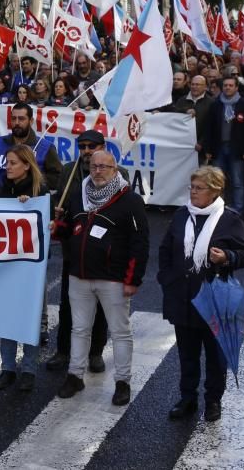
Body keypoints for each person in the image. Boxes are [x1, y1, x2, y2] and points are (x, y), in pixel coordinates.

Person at [157, 166, 244, 422]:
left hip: (214, 301)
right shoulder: (181, 216)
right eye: (192, 187)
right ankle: (187, 398)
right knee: (187, 355)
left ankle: (213, 401)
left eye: (199, 188)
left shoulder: (230, 219)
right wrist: (167, 279)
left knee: (215, 357)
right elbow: (165, 250)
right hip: (183, 299)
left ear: (215, 191)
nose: (193, 192)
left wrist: (227, 257)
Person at [53, 150, 150, 406]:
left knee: (120, 332)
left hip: (113, 279)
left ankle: (122, 382)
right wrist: (59, 226)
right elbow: (69, 232)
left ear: (114, 169)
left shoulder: (130, 200)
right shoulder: (77, 196)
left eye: (104, 167)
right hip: (79, 277)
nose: (97, 171)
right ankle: (75, 375)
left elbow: (140, 244)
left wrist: (132, 279)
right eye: (94, 166)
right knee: (79, 329)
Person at [45, 131, 123, 373]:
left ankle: (96, 352)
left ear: (102, 147)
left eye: (91, 146)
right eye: (82, 146)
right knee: (68, 304)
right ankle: (63, 350)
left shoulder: (120, 175)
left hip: (103, 254)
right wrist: (57, 213)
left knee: (100, 306)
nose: (86, 151)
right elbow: (61, 201)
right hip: (74, 251)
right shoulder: (69, 171)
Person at [0, 144, 45, 392]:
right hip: (6, 265)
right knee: (7, 317)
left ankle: (30, 370)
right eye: (6, 162)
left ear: (25, 165)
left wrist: (29, 205)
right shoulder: (1, 187)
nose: (7, 167)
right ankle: (8, 368)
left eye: (12, 163)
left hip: (30, 267)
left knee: (29, 317)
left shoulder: (38, 191)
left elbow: (44, 227)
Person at [0, 102, 62, 193]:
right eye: (13, 118)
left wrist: (31, 178)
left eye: (21, 119)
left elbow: (58, 178)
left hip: (30, 201)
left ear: (31, 121)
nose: (17, 123)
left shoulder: (46, 147)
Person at [204, 78, 244, 214]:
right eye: (225, 85)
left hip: (237, 148)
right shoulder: (216, 104)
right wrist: (208, 148)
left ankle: (238, 209)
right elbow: (209, 128)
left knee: (237, 181)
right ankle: (217, 208)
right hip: (219, 147)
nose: (228, 88)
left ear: (236, 88)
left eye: (231, 85)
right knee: (217, 181)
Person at [173, 74, 212, 163]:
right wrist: (185, 111)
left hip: (199, 148)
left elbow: (210, 126)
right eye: (193, 84)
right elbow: (174, 116)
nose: (194, 87)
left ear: (205, 87)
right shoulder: (181, 100)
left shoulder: (211, 103)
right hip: (181, 146)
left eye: (198, 84)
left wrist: (201, 142)